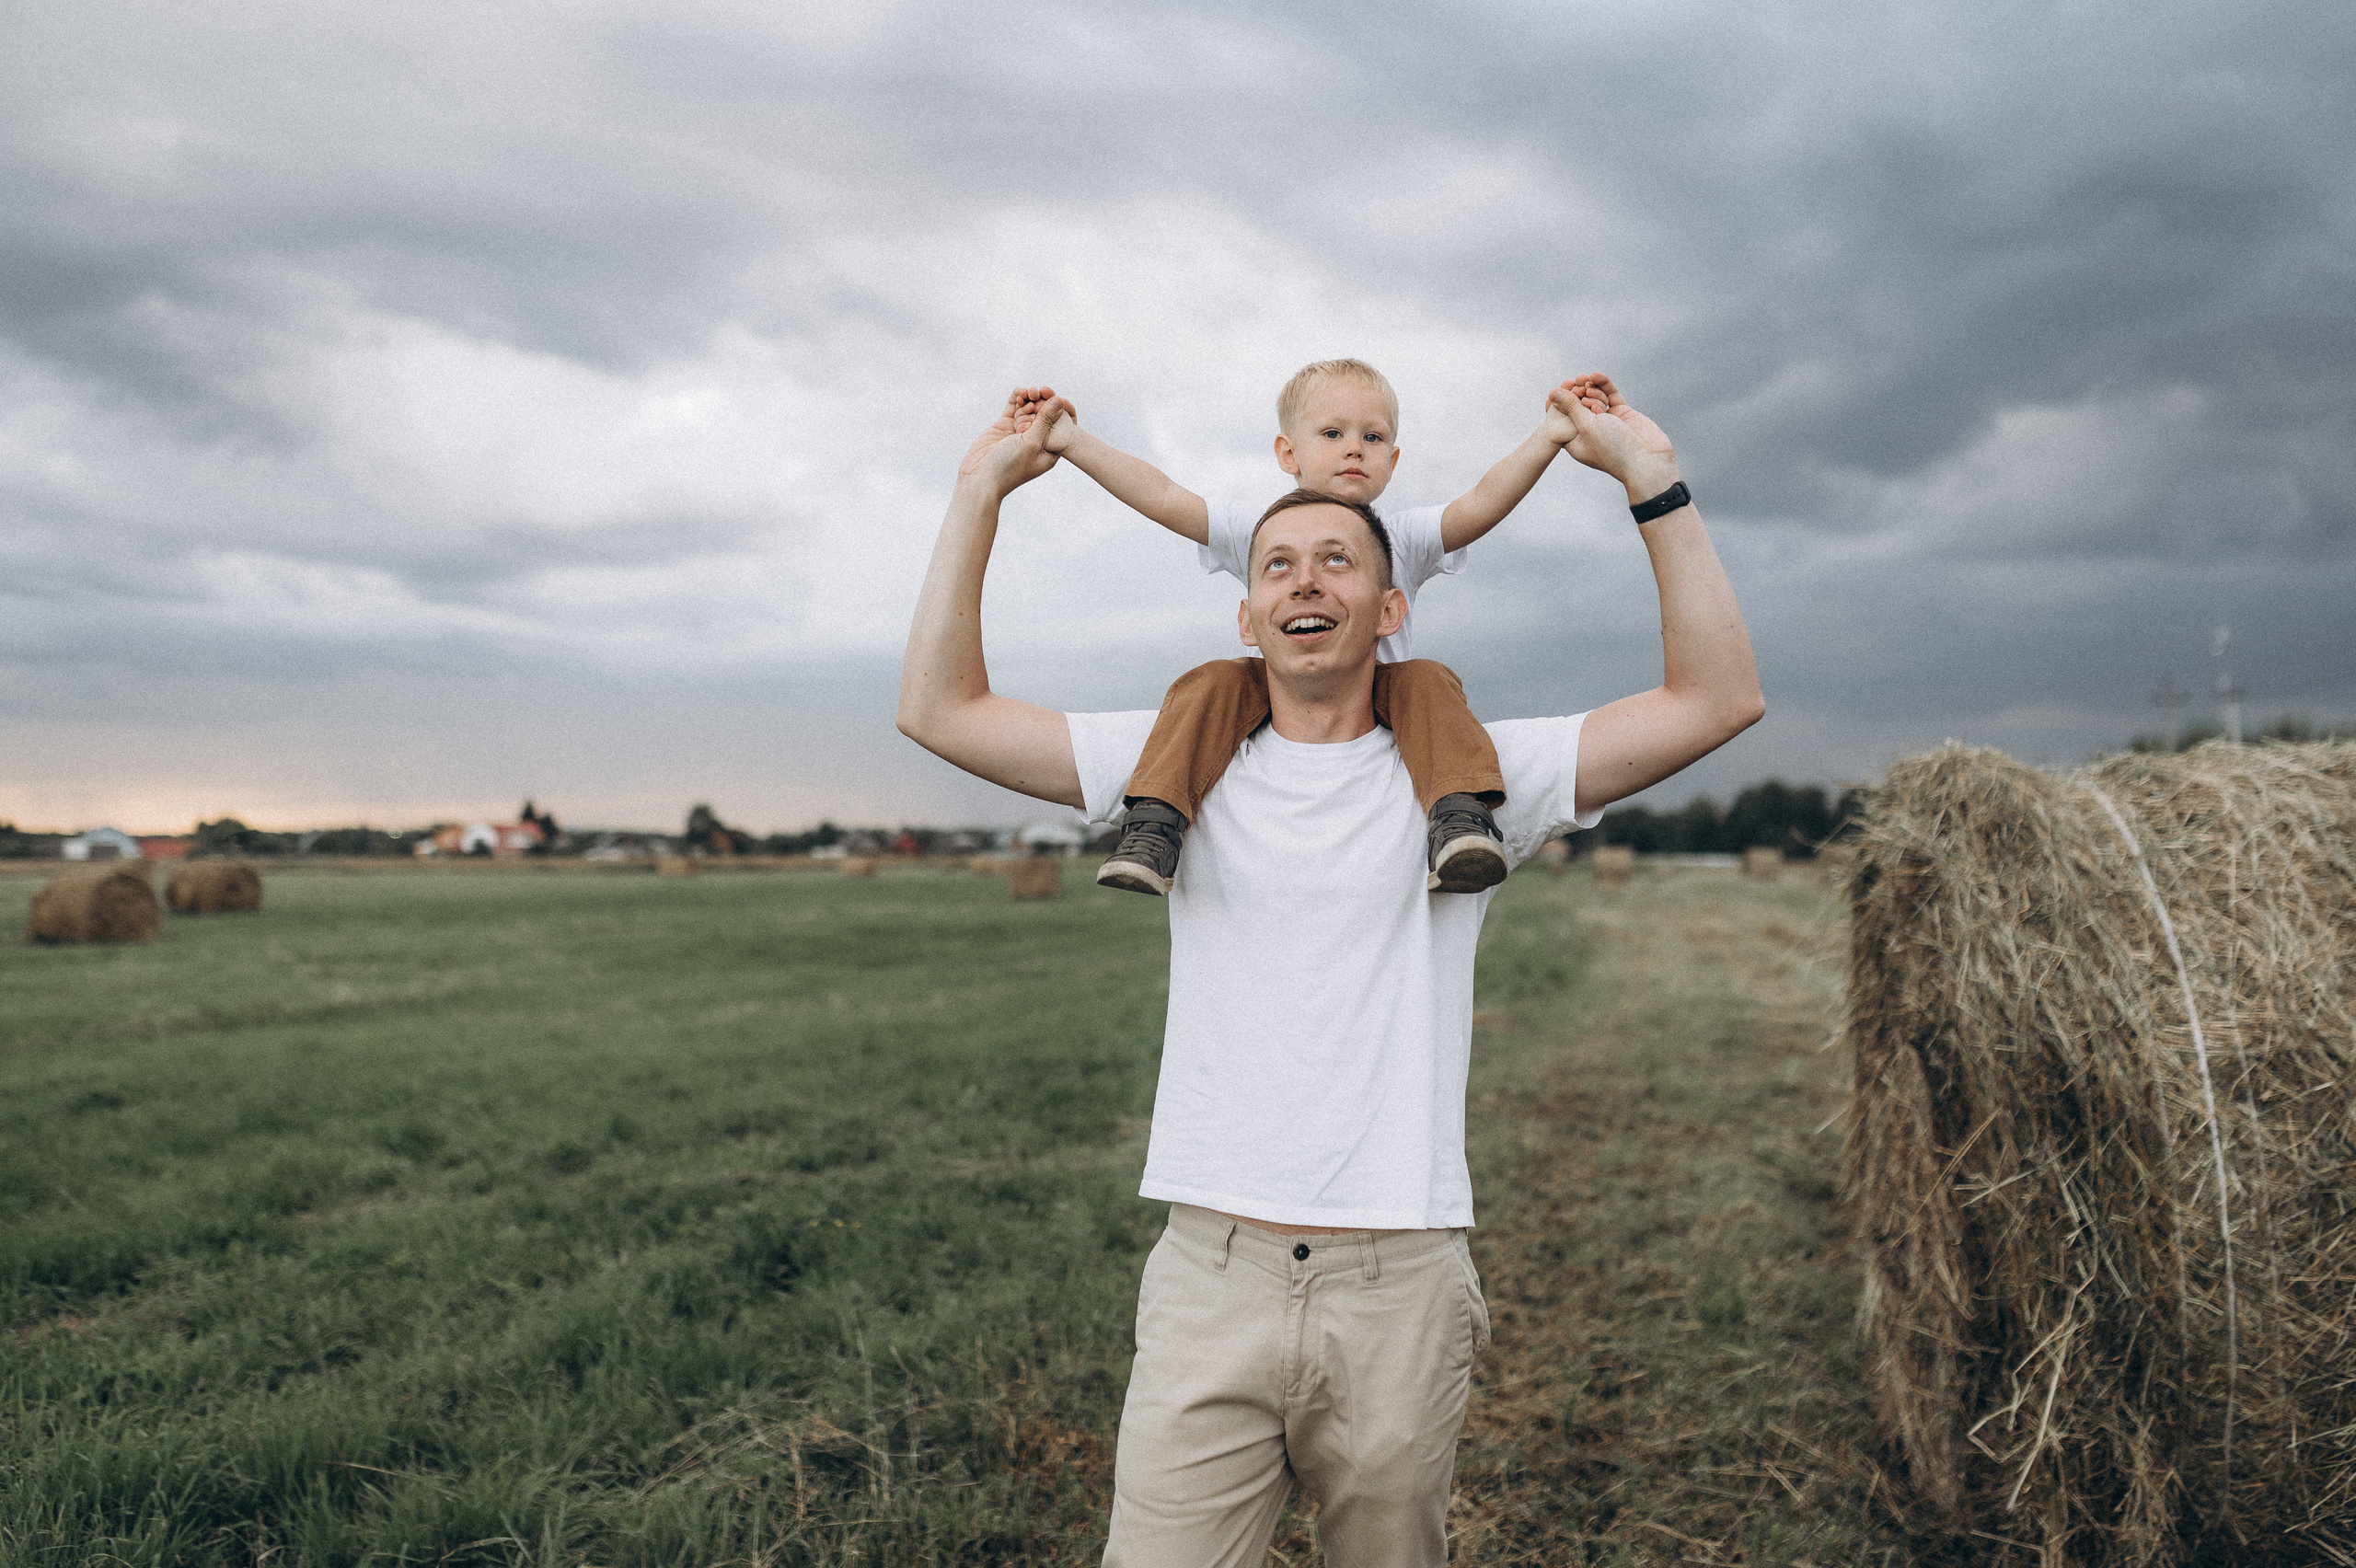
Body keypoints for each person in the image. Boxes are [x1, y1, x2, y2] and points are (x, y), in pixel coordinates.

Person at [897, 372, 1762, 1568]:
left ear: (1392, 606)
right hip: (1211, 1274)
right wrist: (979, 493)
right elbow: (940, 711)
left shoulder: (1474, 776)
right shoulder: (1175, 762)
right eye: (1278, 565)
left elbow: (1717, 700)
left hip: (1397, 1280)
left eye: (1338, 562)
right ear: (1246, 616)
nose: (1306, 580)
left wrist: (1651, 482)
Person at [1032, 359, 1578, 896]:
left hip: (1378, 700)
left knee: (1428, 678)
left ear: (1392, 459)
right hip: (1281, 698)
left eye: (1372, 437)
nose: (1354, 448)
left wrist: (1548, 437)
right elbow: (1164, 495)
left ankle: (1460, 820)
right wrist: (1074, 443)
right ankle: (1154, 825)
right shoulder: (1261, 528)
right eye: (1333, 433)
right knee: (1213, 680)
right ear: (1287, 453)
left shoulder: (1402, 536)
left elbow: (1482, 502)